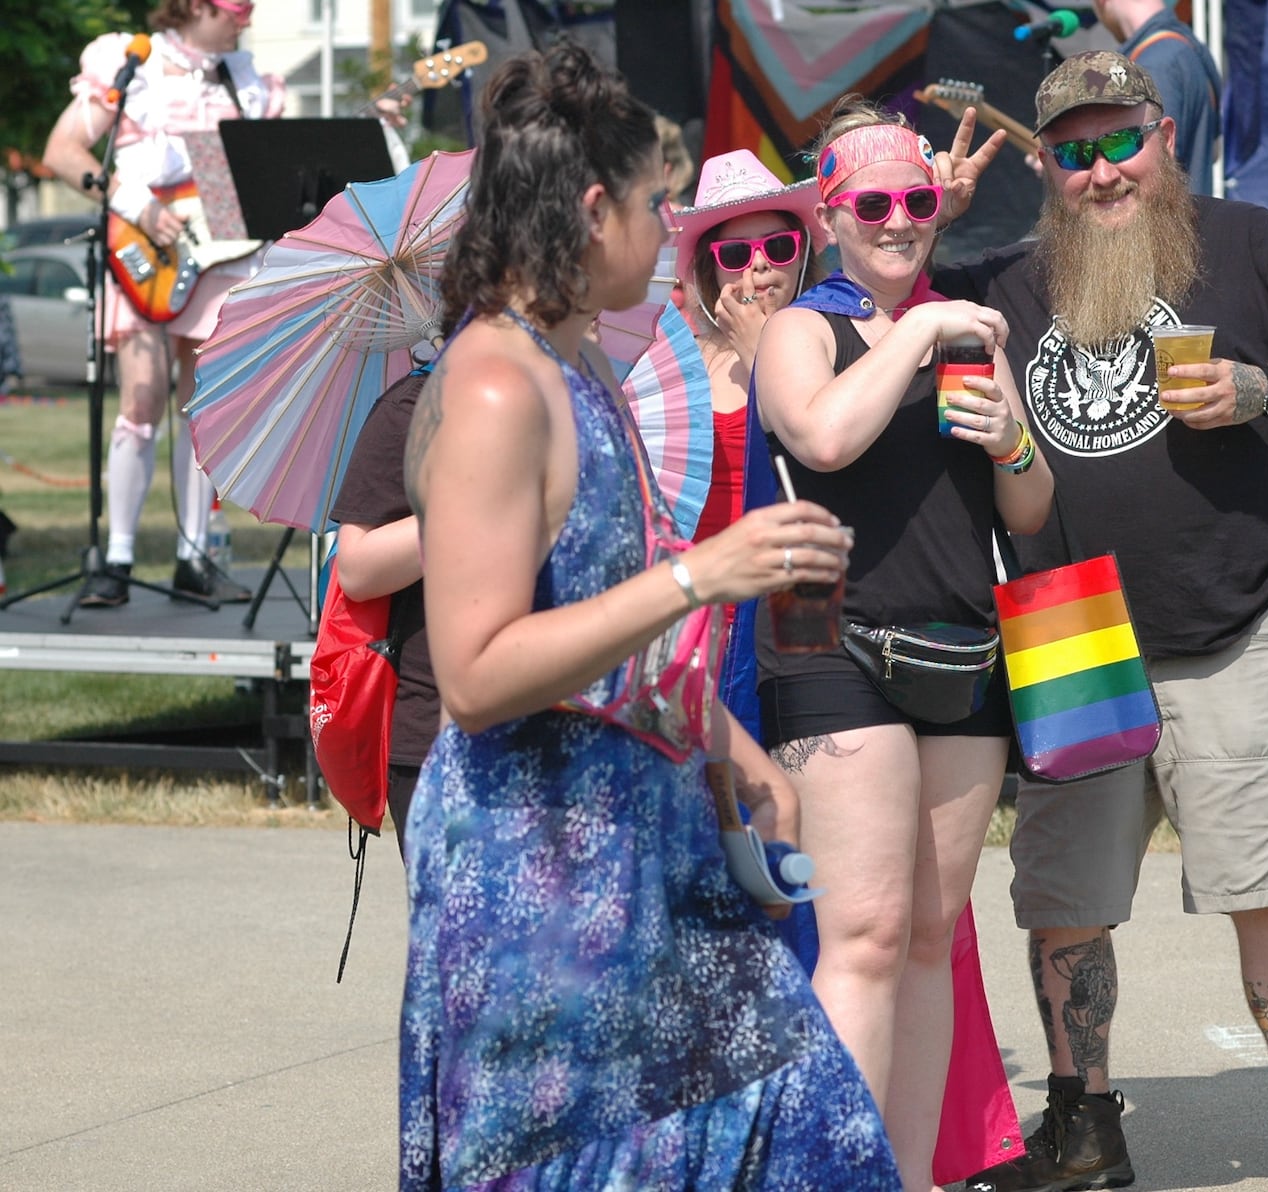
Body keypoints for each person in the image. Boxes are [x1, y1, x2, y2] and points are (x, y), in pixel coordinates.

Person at [395, 41, 900, 1190]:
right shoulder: (490, 384)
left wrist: (728, 748)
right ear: (587, 210)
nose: (669, 224)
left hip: (643, 853)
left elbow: (595, 626)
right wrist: (698, 576)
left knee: (810, 1133)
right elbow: (473, 672)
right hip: (541, 887)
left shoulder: (576, 368)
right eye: (652, 202)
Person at [933, 50, 1268, 1192]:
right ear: (1047, 167)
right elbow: (877, 295)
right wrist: (940, 218)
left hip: (1230, 618)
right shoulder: (1006, 279)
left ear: (1160, 136)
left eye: (1118, 143)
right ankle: (1084, 1124)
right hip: (1069, 630)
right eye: (1071, 151)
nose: (1099, 171)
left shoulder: (1246, 243)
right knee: (1062, 903)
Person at [752, 101, 1055, 1191]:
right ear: (829, 216)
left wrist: (1013, 437)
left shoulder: (968, 326)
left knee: (932, 933)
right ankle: (840, 1173)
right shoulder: (804, 326)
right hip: (833, 643)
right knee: (867, 934)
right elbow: (822, 433)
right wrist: (921, 333)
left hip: (960, 646)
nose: (896, 220)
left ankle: (916, 1172)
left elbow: (1025, 510)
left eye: (915, 202)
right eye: (871, 203)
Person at [41, 0, 284, 607]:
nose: (246, 19)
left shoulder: (247, 79)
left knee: (204, 411)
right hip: (143, 253)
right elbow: (62, 150)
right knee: (141, 396)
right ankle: (116, 558)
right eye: (238, 7)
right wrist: (136, 205)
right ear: (195, 4)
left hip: (222, 256)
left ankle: (194, 557)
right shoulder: (131, 62)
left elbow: (250, 182)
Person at [670, 148, 828, 735]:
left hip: (797, 612)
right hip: (698, 614)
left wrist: (762, 353)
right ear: (710, 271)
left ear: (802, 253)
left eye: (778, 248)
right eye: (736, 254)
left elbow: (820, 458)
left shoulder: (833, 342)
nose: (758, 267)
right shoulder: (674, 363)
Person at [327, 364, 435, 859]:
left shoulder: (591, 409)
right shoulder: (414, 406)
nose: (596, 334)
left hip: (568, 716)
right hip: (439, 729)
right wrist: (473, 502)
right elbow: (357, 567)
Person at [1092, 0, 1221, 196]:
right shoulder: (1191, 49)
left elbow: (1152, 177)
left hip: (1162, 223)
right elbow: (1213, 152)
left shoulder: (1154, 66)